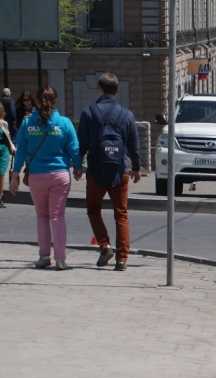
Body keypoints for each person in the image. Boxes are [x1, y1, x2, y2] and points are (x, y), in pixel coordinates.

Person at [10, 86, 82, 271]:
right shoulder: (64, 123)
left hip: (37, 175)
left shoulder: (27, 123)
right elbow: (74, 148)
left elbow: (21, 151)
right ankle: (60, 259)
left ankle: (44, 256)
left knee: (42, 216)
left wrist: (15, 175)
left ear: (37, 100)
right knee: (58, 216)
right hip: (60, 174)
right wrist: (78, 168)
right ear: (55, 101)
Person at [76, 72, 141, 272]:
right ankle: (122, 259)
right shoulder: (126, 115)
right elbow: (133, 145)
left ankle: (104, 246)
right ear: (117, 90)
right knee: (121, 214)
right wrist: (136, 168)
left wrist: (78, 166)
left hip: (96, 171)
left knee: (93, 209)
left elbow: (82, 143)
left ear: (100, 89)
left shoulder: (89, 112)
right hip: (120, 170)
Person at [0, 104, 14, 208]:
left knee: (1, 172)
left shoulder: (3, 123)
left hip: (3, 149)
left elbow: (8, 136)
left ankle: (0, 196)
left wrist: (12, 148)